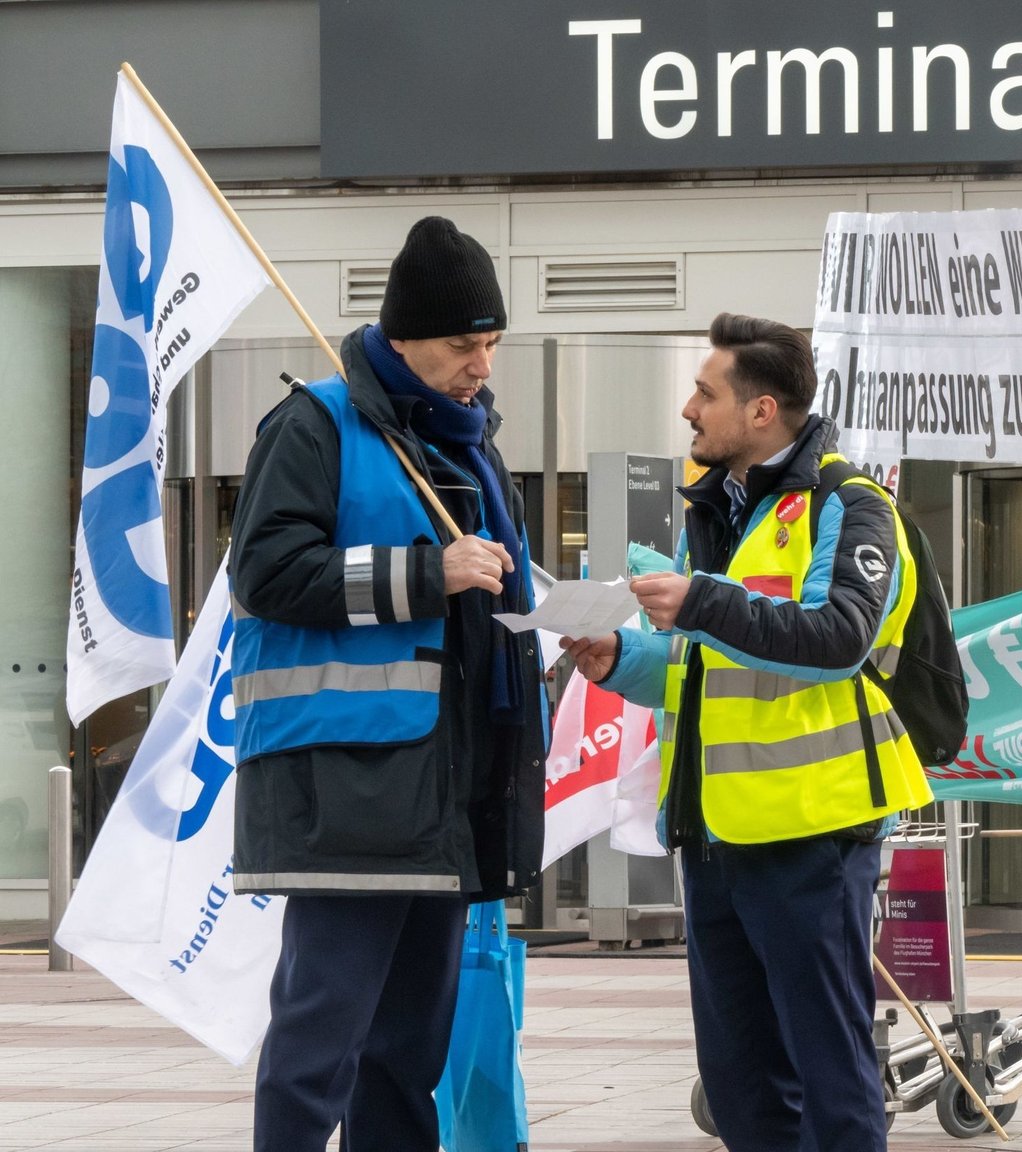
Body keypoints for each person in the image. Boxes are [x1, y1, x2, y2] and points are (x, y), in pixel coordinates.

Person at [565, 312, 934, 1152]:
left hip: (810, 832)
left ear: (762, 410)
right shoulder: (722, 509)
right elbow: (706, 670)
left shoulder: (853, 505)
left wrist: (700, 599)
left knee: (829, 1069)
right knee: (739, 1085)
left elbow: (837, 639)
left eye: (705, 392)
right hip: (717, 835)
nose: (689, 409)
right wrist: (617, 658)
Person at [229, 216, 546, 1152]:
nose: (481, 366)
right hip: (348, 788)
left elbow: (489, 598)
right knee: (316, 1049)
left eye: (491, 344)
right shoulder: (315, 423)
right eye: (463, 345)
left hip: (447, 798)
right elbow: (267, 572)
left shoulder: (475, 447)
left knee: (411, 1055)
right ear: (402, 335)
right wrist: (425, 573)